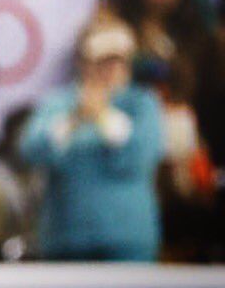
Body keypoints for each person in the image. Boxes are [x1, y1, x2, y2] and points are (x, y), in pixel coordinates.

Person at [19, 16, 164, 261]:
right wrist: (73, 120)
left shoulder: (142, 103)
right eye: (102, 62)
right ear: (84, 63)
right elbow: (31, 151)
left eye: (118, 61)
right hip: (65, 240)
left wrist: (104, 117)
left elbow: (141, 156)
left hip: (127, 242)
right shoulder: (59, 102)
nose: (111, 70)